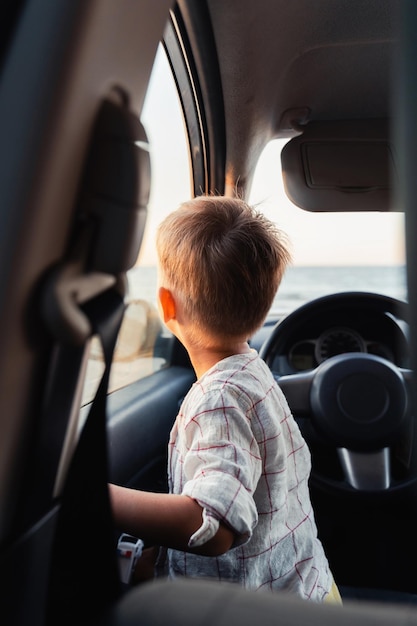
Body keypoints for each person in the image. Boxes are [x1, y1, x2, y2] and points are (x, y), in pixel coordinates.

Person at [109, 195, 341, 603]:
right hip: (308, 590)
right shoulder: (254, 373)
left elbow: (214, 527)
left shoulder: (218, 399)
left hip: (255, 613)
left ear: (167, 306)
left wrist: (102, 497)